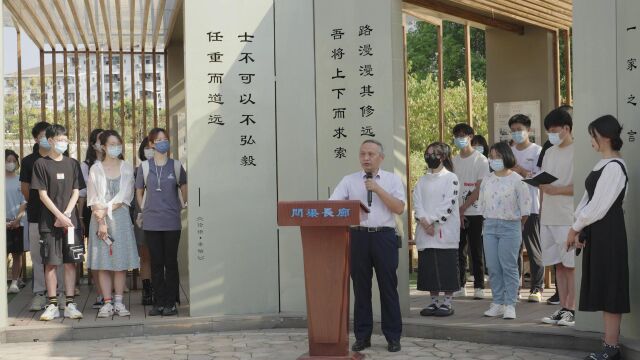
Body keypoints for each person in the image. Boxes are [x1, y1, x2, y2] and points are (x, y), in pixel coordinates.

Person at [329, 139, 405, 353]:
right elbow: (333, 205)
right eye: (363, 154)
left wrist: (377, 189)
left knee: (388, 288)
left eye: (371, 154)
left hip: (384, 237)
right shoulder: (349, 181)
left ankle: (393, 337)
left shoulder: (391, 180)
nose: (366, 158)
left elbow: (399, 208)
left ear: (381, 157)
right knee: (361, 289)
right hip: (358, 237)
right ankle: (363, 337)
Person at [567, 115, 628, 360]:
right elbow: (587, 201)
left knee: (611, 287)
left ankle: (612, 348)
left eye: (592, 135)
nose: (590, 140)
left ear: (603, 137)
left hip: (609, 234)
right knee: (604, 286)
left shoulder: (614, 167)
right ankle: (608, 345)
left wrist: (575, 228)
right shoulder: (602, 164)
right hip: (598, 231)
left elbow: (599, 207)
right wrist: (578, 227)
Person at [31, 124, 85, 321]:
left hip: (70, 224)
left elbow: (76, 191)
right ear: (51, 140)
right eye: (60, 139)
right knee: (51, 264)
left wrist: (68, 214)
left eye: (65, 139)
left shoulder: (72, 164)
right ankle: (52, 304)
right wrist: (58, 216)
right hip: (49, 223)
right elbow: (42, 194)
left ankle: (70, 303)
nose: (64, 142)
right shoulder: (41, 164)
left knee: (71, 263)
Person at [87, 130, 139, 317]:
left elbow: (126, 196)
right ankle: (107, 302)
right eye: (111, 144)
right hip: (99, 218)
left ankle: (119, 302)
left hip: (121, 217)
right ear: (103, 147)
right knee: (103, 262)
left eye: (118, 144)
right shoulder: (95, 168)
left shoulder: (126, 167)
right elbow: (92, 198)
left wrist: (106, 209)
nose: (115, 147)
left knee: (120, 262)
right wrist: (101, 220)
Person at [135, 128, 187, 317]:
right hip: (152, 222)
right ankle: (158, 302)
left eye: (165, 139)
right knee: (156, 263)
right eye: (159, 140)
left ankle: (171, 302)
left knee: (170, 262)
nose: (163, 142)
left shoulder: (176, 165)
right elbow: (139, 191)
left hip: (172, 221)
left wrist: (179, 205)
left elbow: (184, 187)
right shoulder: (145, 167)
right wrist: (144, 209)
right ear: (151, 144)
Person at [479, 142, 531, 320]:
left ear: (507, 156)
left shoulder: (517, 179)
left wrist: (516, 224)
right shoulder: (487, 179)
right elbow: (482, 204)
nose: (494, 160)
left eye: (497, 157)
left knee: (508, 265)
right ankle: (497, 302)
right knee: (493, 266)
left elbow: (525, 209)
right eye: (491, 157)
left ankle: (510, 304)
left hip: (511, 226)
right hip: (490, 226)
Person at [19, 121, 65, 311]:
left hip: (59, 217)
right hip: (36, 216)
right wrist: (40, 204)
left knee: (59, 256)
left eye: (50, 136)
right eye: (43, 136)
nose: (47, 139)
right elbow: (25, 189)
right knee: (38, 257)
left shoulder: (62, 158)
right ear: (36, 139)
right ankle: (39, 293)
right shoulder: (29, 161)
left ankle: (60, 293)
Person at [414, 142, 460, 317]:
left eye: (434, 153)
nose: (430, 156)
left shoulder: (451, 178)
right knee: (429, 268)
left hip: (444, 231)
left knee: (446, 266)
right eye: (428, 153)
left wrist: (433, 221)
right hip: (425, 231)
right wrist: (424, 222)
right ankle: (433, 302)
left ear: (443, 157)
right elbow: (417, 201)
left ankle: (447, 303)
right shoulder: (422, 179)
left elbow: (448, 203)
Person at [539, 108, 576, 327]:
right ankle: (563, 307)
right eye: (549, 132)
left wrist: (556, 190)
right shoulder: (550, 152)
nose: (551, 135)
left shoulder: (578, 150)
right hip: (549, 216)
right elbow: (544, 184)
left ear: (567, 128)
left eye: (554, 131)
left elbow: (581, 185)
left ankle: (573, 308)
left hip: (567, 216)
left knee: (570, 265)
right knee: (558, 265)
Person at [451, 123, 490, 299]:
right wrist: (456, 210)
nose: (460, 138)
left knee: (476, 249)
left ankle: (479, 286)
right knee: (459, 249)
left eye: (463, 135)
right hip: (455, 212)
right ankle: (460, 284)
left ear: (471, 137)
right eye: (457, 135)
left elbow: (479, 188)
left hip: (475, 211)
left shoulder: (481, 160)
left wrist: (463, 208)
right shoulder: (453, 160)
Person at [508, 114, 544, 303]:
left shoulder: (537, 151)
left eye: (519, 129)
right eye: (513, 130)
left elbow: (540, 180)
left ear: (528, 130)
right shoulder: (508, 151)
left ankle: (536, 288)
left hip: (530, 207)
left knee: (533, 249)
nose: (516, 133)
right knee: (514, 249)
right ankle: (515, 287)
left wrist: (521, 170)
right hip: (510, 209)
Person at [80, 128, 105, 309]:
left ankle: (112, 291)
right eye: (99, 139)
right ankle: (100, 292)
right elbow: (82, 194)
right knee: (96, 253)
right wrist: (80, 217)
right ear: (93, 143)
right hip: (92, 211)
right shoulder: (86, 165)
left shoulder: (118, 163)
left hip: (113, 212)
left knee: (112, 251)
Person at [133, 137, 154, 305]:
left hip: (163, 216)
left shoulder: (169, 167)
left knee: (161, 256)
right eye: (147, 147)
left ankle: (160, 287)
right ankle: (147, 290)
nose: (150, 150)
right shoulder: (137, 170)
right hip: (142, 216)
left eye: (152, 147)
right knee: (145, 256)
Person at [6, 150, 27, 294]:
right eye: (8, 160)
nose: (11, 163)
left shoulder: (20, 180)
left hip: (18, 223)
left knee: (17, 254)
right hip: (3, 223)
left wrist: (18, 219)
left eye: (14, 160)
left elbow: (24, 201)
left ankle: (14, 282)